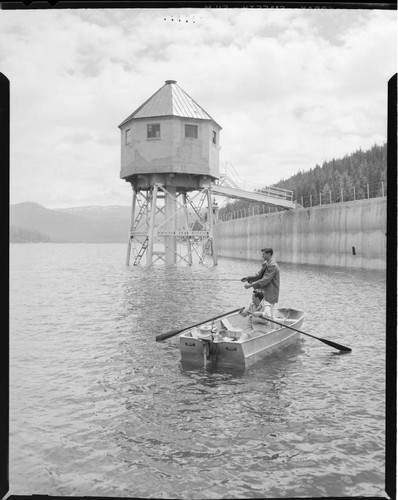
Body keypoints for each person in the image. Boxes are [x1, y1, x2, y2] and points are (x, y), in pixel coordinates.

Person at [241, 247, 280, 319]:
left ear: (269, 254)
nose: (262, 256)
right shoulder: (265, 263)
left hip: (271, 292)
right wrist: (248, 278)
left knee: (269, 314)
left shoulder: (273, 266)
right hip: (264, 291)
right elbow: (259, 275)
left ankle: (272, 328)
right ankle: (260, 324)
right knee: (261, 309)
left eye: (264, 254)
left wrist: (250, 285)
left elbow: (265, 279)